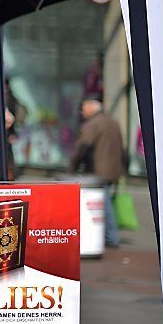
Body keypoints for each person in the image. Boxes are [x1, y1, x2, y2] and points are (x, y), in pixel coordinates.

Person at [68, 98, 124, 248]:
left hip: (99, 170)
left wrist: (72, 167)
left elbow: (83, 147)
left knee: (103, 204)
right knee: (105, 202)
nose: (81, 111)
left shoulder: (93, 124)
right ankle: (108, 235)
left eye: (84, 108)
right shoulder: (112, 121)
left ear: (92, 108)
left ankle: (111, 237)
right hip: (112, 168)